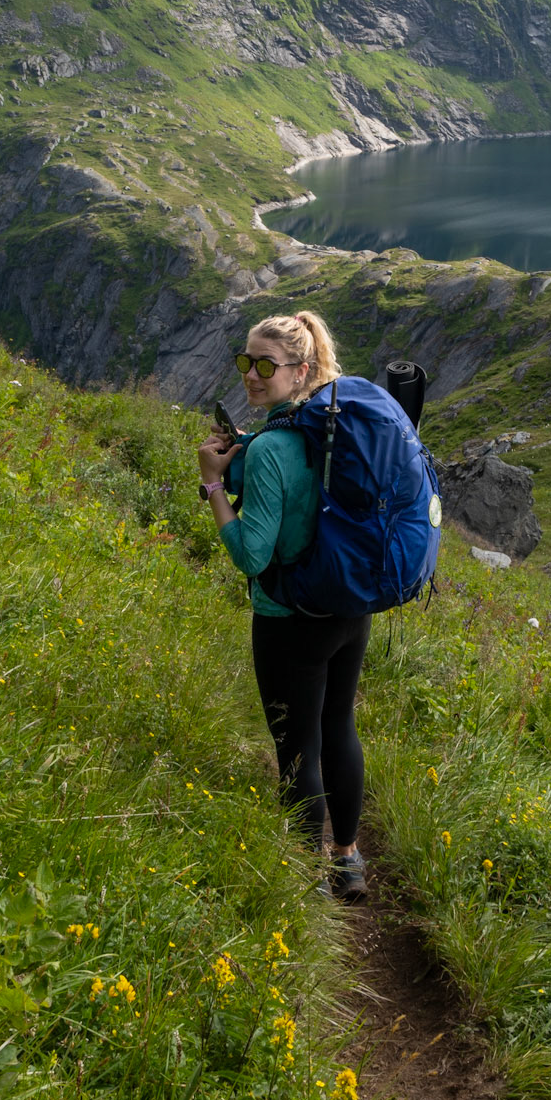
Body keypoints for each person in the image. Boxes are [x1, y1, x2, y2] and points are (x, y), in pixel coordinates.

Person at [196, 310, 370, 901]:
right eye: (246, 361)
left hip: (289, 618)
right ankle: (346, 860)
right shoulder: (331, 427)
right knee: (338, 726)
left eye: (266, 365)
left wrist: (214, 486)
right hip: (350, 607)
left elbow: (250, 555)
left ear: (300, 371)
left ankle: (303, 881)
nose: (251, 374)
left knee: (296, 747)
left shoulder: (272, 449)